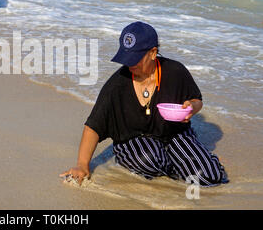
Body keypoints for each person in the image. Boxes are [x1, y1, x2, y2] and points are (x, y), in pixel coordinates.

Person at [60, 21, 228, 187]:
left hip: (174, 134)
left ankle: (201, 160)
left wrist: (191, 107)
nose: (129, 64)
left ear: (153, 53)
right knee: (149, 161)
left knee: (207, 176)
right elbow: (94, 125)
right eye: (126, 58)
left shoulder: (176, 72)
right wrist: (82, 165)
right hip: (135, 140)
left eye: (135, 59)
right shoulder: (116, 85)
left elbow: (197, 100)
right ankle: (178, 164)